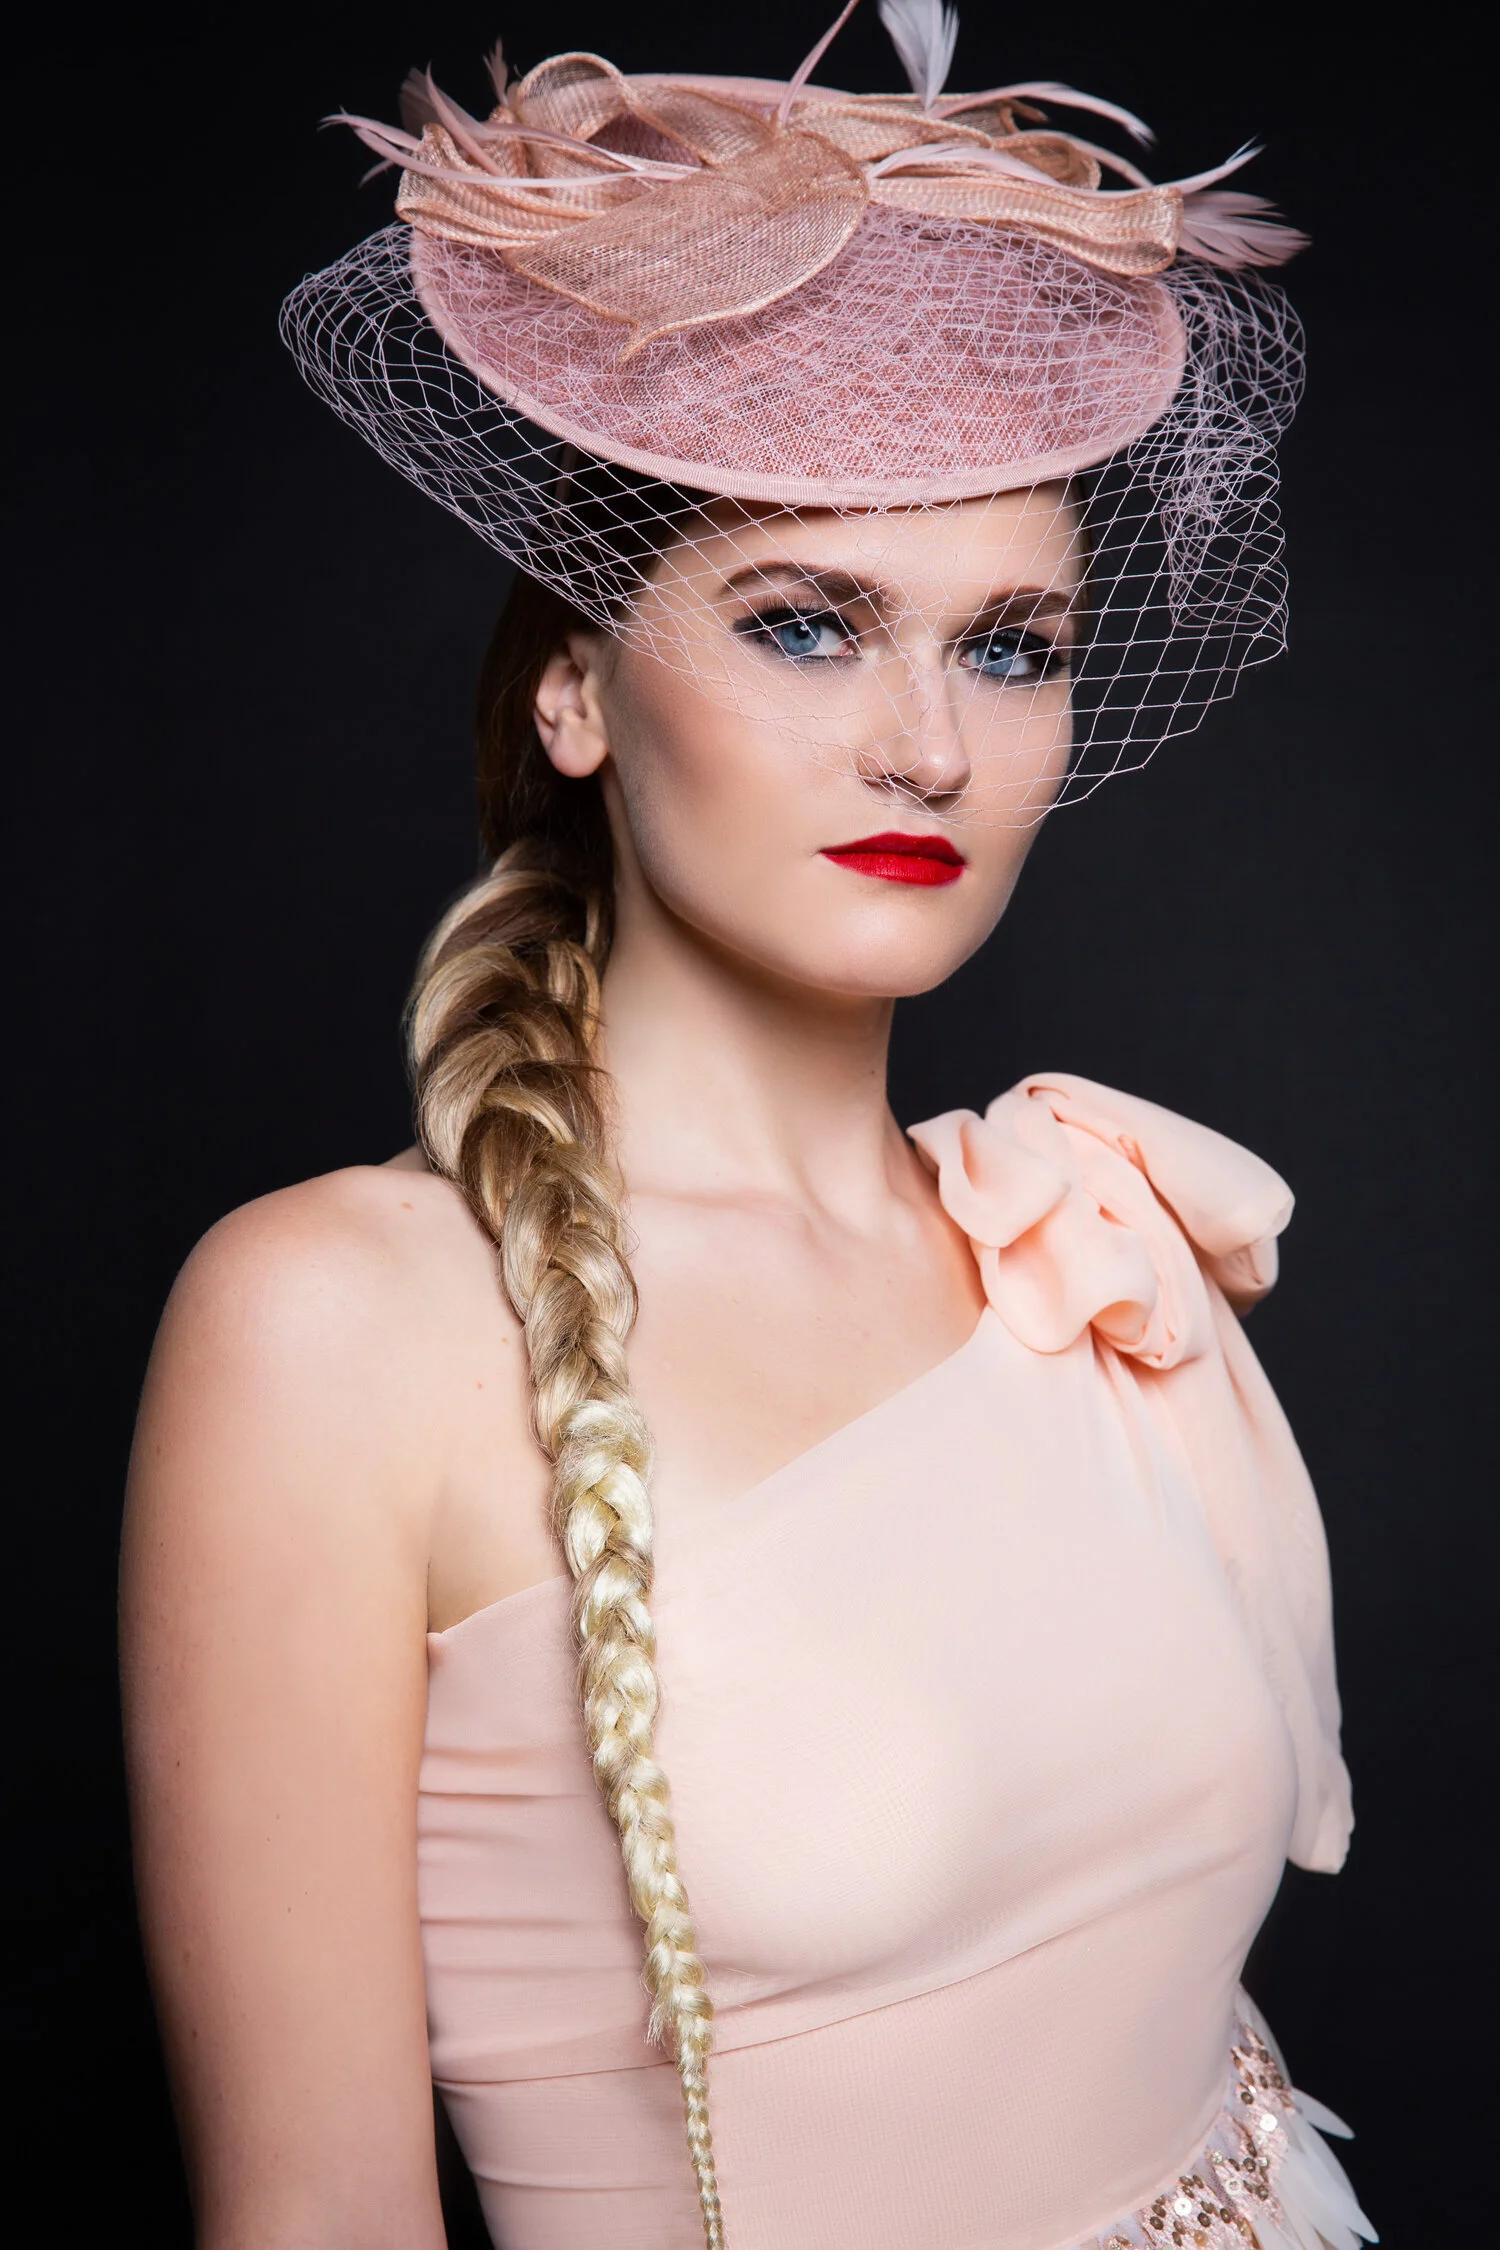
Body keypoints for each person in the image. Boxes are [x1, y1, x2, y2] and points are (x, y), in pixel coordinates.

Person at [120, 7, 1377, 2246]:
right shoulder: (336, 1329)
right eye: (810, 624)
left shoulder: (1063, 1232)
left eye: (1010, 647)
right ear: (576, 687)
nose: (924, 745)